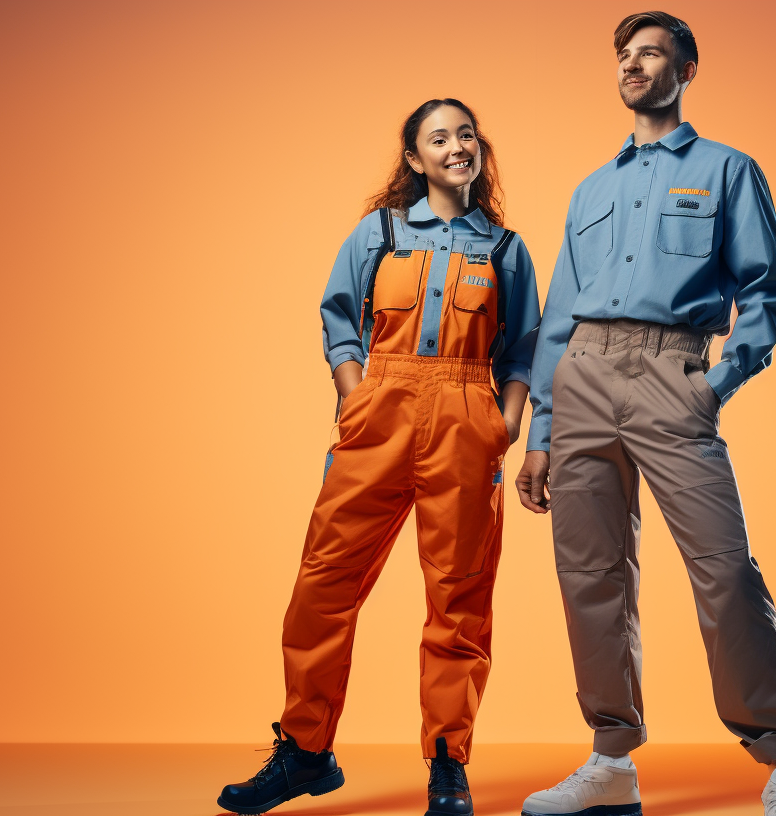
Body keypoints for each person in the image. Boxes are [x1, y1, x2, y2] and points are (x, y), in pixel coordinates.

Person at [514, 12, 776, 816]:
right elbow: (556, 318)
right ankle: (611, 759)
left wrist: (712, 387)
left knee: (723, 566)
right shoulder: (592, 187)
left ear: (686, 69)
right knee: (590, 575)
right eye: (624, 54)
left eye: (650, 53)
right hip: (579, 378)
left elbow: (772, 291)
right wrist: (541, 432)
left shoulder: (726, 170)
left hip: (668, 371)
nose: (632, 64)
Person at [217, 98, 541, 816]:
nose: (457, 145)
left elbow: (523, 350)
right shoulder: (381, 233)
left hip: (466, 422)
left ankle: (448, 764)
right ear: (414, 160)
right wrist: (355, 395)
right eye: (439, 137)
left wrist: (505, 423)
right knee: (322, 586)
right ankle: (306, 750)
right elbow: (339, 316)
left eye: (465, 133)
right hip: (379, 414)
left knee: (458, 602)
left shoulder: (505, 249)